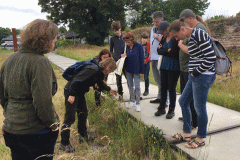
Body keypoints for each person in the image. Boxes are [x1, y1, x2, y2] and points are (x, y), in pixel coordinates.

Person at [0, 19, 59, 160]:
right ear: (46, 40)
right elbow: (43, 101)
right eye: (54, 39)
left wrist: (11, 113)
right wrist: (52, 124)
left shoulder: (10, 59)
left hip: (11, 129)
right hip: (36, 132)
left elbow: (2, 95)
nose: (55, 42)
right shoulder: (40, 62)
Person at [169, 19, 216, 149]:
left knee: (199, 108)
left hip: (203, 76)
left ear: (183, 29)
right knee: (183, 101)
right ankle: (186, 133)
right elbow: (195, 53)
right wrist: (193, 72)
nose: (176, 39)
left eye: (176, 36)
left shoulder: (199, 34)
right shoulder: (191, 37)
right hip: (195, 76)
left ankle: (200, 138)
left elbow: (211, 57)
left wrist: (196, 71)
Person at [59, 57, 117, 153]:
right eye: (111, 70)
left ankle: (83, 137)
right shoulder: (93, 70)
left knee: (83, 113)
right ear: (108, 68)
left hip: (79, 92)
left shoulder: (98, 72)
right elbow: (75, 81)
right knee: (70, 117)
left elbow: (99, 83)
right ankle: (64, 143)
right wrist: (72, 95)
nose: (110, 72)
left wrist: (109, 90)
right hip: (72, 92)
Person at [178, 9, 211, 128]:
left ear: (190, 19)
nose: (184, 26)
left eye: (185, 22)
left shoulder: (200, 29)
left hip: (194, 70)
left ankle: (194, 121)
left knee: (193, 100)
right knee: (186, 98)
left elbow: (205, 55)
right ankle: (189, 116)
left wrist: (181, 44)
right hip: (188, 68)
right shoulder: (194, 30)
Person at [154, 21, 180, 119]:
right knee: (163, 87)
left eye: (162, 31)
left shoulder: (175, 39)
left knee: (171, 88)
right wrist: (166, 51)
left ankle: (171, 110)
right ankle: (161, 108)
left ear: (167, 29)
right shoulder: (164, 39)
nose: (161, 34)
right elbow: (158, 50)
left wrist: (163, 51)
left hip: (173, 67)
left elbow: (174, 53)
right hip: (164, 66)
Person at [121, 32, 144, 112]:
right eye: (126, 42)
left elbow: (142, 59)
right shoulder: (124, 46)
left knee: (137, 87)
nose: (127, 43)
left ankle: (138, 103)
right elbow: (121, 56)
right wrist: (122, 56)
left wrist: (142, 71)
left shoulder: (139, 46)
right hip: (128, 69)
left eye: (128, 42)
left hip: (137, 70)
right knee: (130, 86)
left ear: (132, 39)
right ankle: (132, 101)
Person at [149, 11, 164, 103]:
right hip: (153, 57)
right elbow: (151, 42)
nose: (155, 24)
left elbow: (165, 41)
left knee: (162, 79)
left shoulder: (166, 29)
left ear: (162, 20)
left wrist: (157, 36)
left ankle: (163, 99)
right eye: (154, 21)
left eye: (157, 22)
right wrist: (150, 54)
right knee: (157, 79)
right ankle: (159, 97)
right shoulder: (152, 29)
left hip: (160, 57)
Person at [110, 21, 125, 101]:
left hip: (125, 61)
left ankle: (134, 94)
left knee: (129, 78)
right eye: (115, 31)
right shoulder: (112, 39)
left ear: (120, 29)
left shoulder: (124, 37)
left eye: (117, 30)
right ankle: (120, 95)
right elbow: (110, 50)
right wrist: (115, 56)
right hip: (117, 61)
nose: (116, 32)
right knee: (118, 79)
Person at [140, 31, 151, 96]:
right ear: (141, 38)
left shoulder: (149, 45)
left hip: (146, 63)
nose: (144, 40)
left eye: (146, 38)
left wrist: (146, 60)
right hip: (141, 63)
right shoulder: (139, 45)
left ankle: (146, 90)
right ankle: (138, 90)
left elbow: (150, 54)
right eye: (143, 38)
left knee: (146, 77)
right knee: (139, 77)